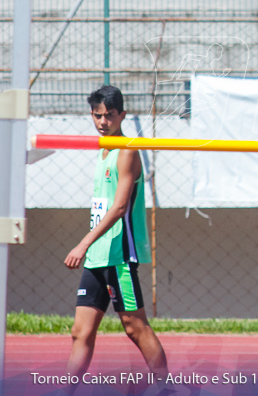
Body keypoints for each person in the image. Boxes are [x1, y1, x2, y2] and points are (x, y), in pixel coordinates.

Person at [64, 85, 168, 381]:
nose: (102, 122)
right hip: (97, 256)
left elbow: (120, 207)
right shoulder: (102, 150)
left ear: (121, 115)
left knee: (135, 327)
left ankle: (167, 387)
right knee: (80, 331)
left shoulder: (126, 150)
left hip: (118, 253)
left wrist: (82, 243)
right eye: (97, 116)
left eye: (109, 116)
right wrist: (89, 248)